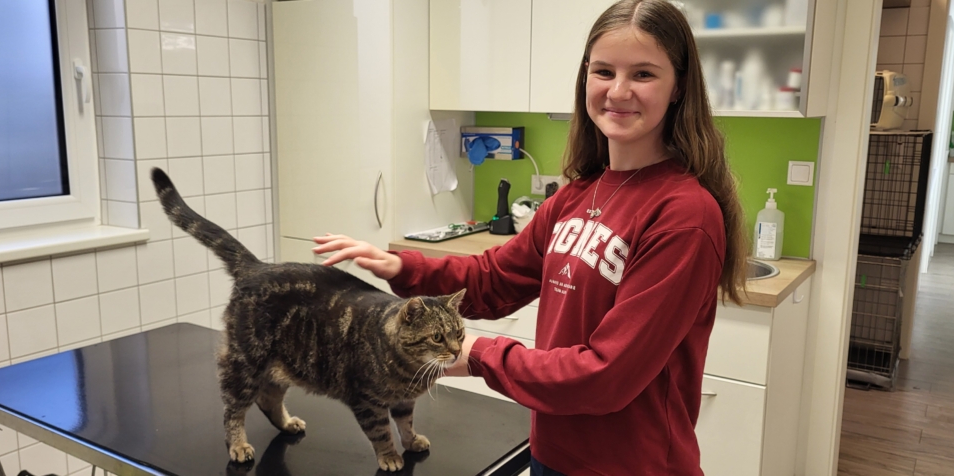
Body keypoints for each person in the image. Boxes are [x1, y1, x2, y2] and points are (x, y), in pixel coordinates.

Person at [312, 0, 748, 473]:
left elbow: (606, 375)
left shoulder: (684, 216)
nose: (618, 90)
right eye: (603, 71)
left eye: (643, 74)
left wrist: (478, 355)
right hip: (551, 453)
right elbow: (493, 279)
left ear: (678, 85)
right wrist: (402, 266)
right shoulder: (575, 196)